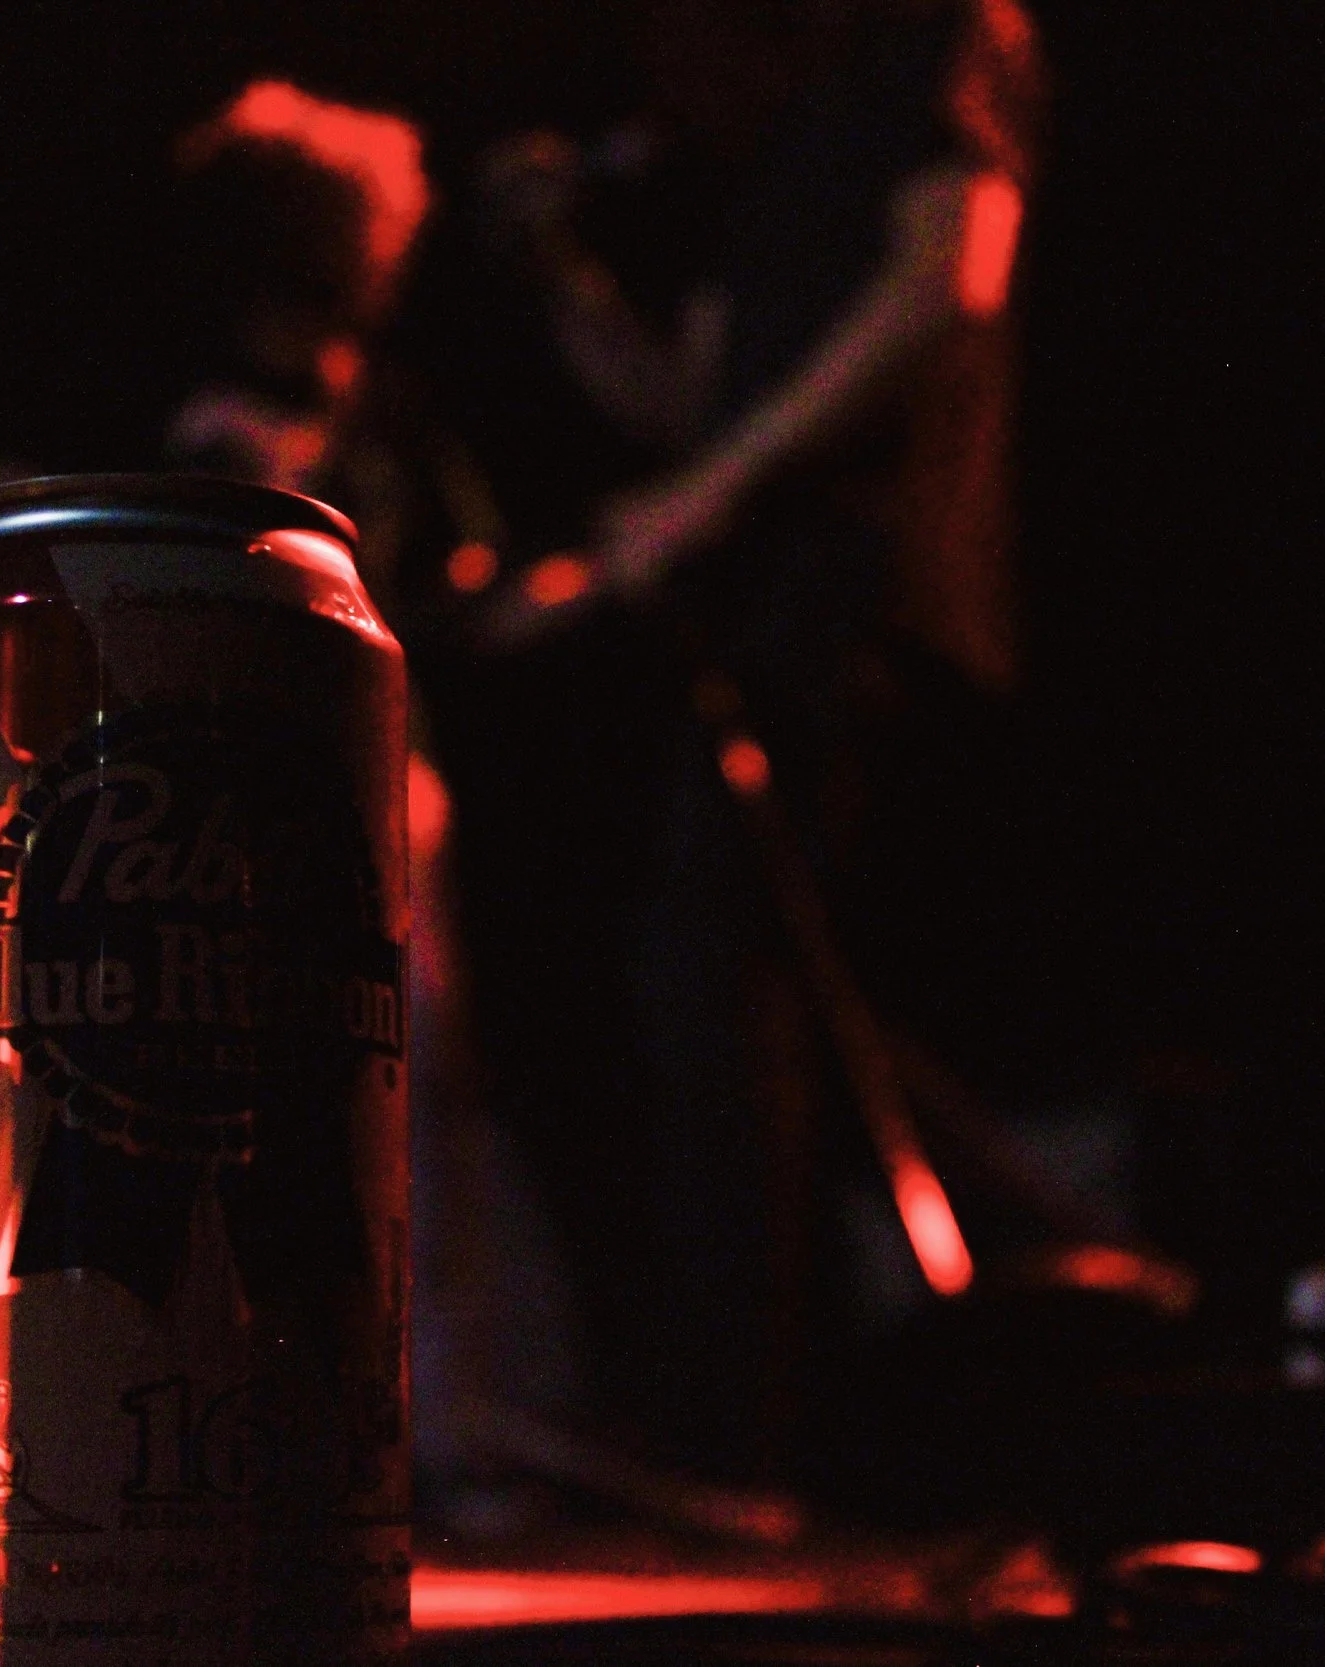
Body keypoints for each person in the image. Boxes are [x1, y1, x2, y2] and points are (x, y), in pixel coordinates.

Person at [438, 0, 1046, 1483]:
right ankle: (1003, 1302)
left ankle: (739, 1438)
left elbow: (948, 281)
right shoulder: (782, 148)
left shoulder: (939, 40)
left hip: (860, 579)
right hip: (775, 599)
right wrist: (562, 270)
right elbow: (681, 402)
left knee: (718, 977)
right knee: (777, 993)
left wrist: (702, 506)